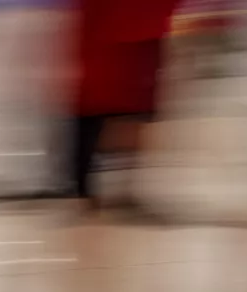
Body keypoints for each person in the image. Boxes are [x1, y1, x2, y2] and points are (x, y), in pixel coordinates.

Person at [69, 0, 180, 211]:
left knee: (107, 115)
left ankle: (96, 192)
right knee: (114, 114)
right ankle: (101, 192)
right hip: (120, 51)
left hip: (119, 50)